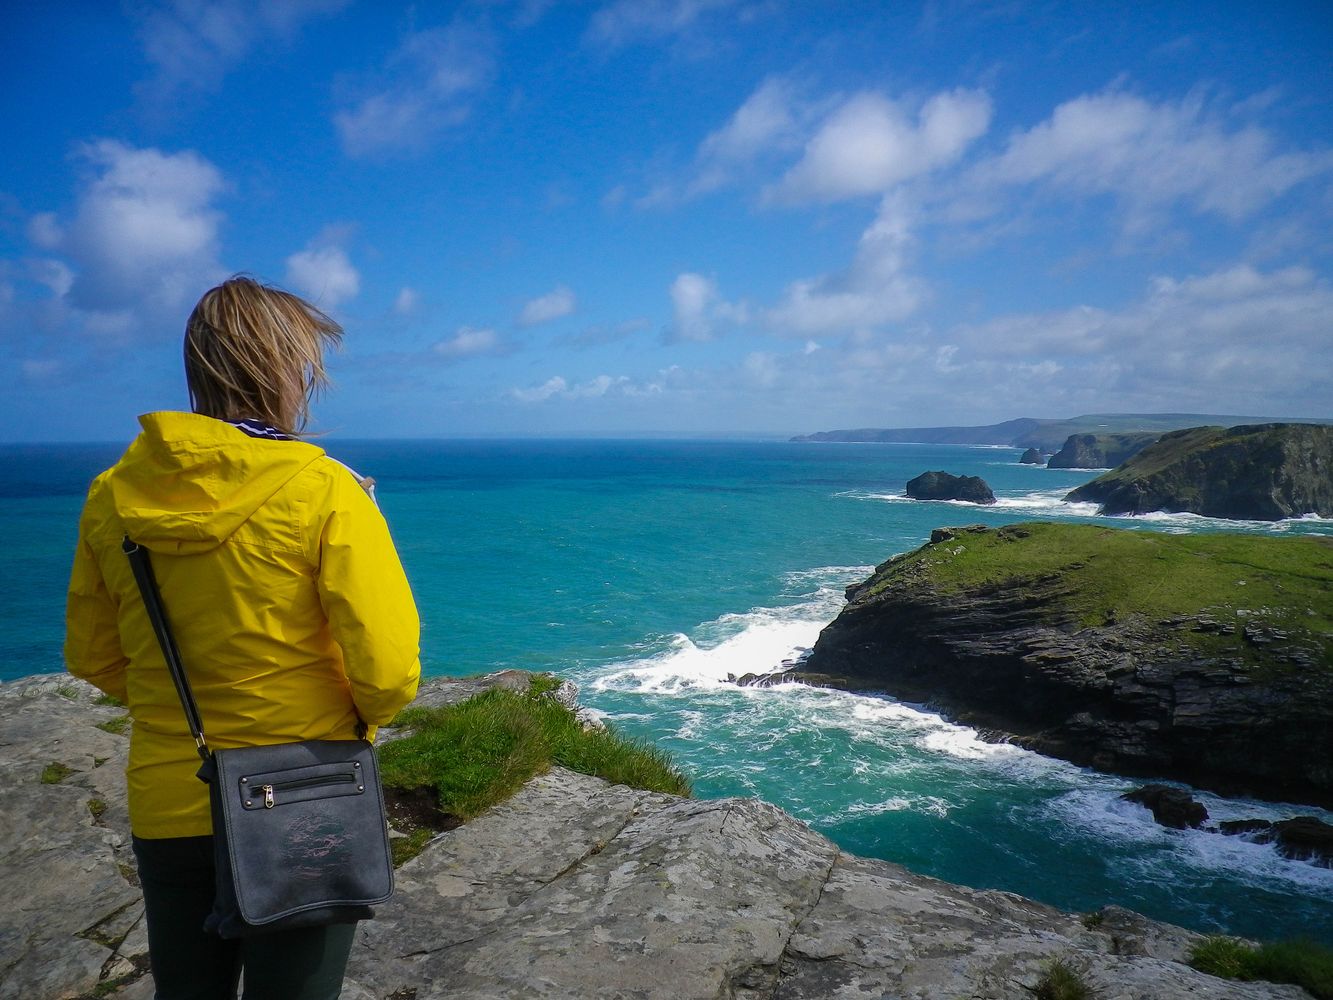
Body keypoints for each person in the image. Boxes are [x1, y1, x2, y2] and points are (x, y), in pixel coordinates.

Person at [65, 276, 421, 1000]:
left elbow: (93, 655)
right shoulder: (324, 490)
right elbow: (386, 673)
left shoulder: (112, 494)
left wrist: (179, 711)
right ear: (286, 368)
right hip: (305, 792)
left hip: (172, 793)